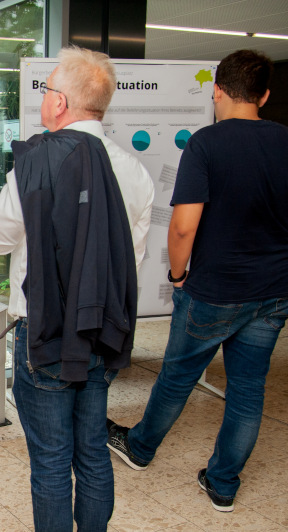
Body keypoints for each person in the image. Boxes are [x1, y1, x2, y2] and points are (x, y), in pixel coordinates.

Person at [0, 46, 154, 531]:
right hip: (103, 330)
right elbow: (129, 261)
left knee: (51, 459)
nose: (43, 99)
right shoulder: (133, 170)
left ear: (62, 102)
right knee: (91, 448)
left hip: (47, 332)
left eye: (47, 89)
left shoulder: (37, 163)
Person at [107, 49, 288, 513]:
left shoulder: (206, 144)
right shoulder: (286, 140)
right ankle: (223, 484)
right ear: (264, 95)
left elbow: (184, 225)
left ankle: (140, 449)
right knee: (248, 389)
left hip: (214, 289)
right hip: (273, 291)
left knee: (177, 375)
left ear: (217, 91)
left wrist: (177, 275)